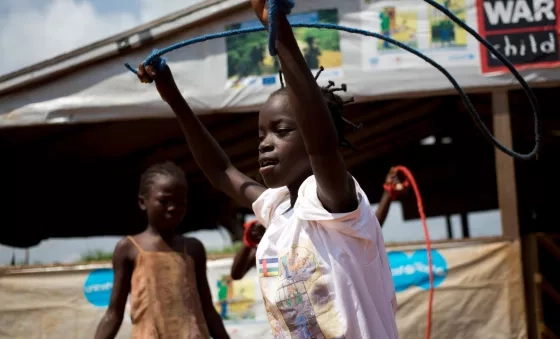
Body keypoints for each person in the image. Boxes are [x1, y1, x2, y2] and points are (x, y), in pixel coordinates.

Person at [135, 0, 399, 337]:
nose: (265, 143)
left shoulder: (333, 203)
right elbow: (220, 172)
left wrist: (280, 33)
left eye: (282, 130)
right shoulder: (277, 210)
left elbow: (321, 143)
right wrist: (173, 97)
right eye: (261, 135)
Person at [93, 161, 229, 339]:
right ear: (143, 202)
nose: (172, 208)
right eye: (164, 201)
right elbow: (114, 314)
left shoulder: (193, 248)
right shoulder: (129, 249)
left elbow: (208, 310)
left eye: (180, 202)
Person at [231, 167, 409, 280]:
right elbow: (236, 274)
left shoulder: (315, 221)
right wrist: (249, 243)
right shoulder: (268, 240)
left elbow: (364, 231)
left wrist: (387, 195)